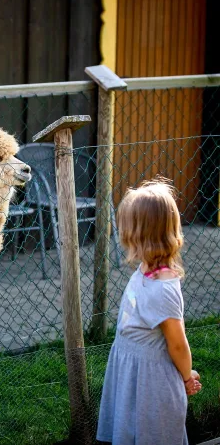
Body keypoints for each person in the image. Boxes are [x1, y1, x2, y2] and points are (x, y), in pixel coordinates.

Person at [96, 178, 202, 444]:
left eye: (126, 229)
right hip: (137, 374)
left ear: (139, 236)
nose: (121, 234)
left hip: (153, 384)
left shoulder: (161, 288)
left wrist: (187, 376)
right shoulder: (147, 269)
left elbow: (177, 345)